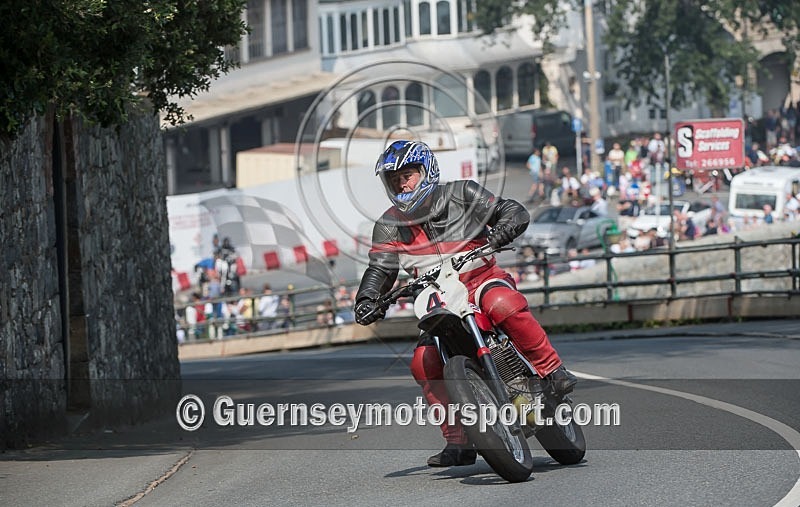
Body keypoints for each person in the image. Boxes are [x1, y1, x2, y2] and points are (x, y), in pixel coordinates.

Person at [354, 140, 577, 468]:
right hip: (437, 300)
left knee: (502, 303)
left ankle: (552, 370)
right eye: (395, 178)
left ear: (425, 171)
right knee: (423, 361)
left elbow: (511, 211)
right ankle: (457, 440)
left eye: (408, 174)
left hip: (481, 280)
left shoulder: (462, 193)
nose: (402, 183)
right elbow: (380, 269)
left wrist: (504, 228)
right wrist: (367, 299)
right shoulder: (388, 225)